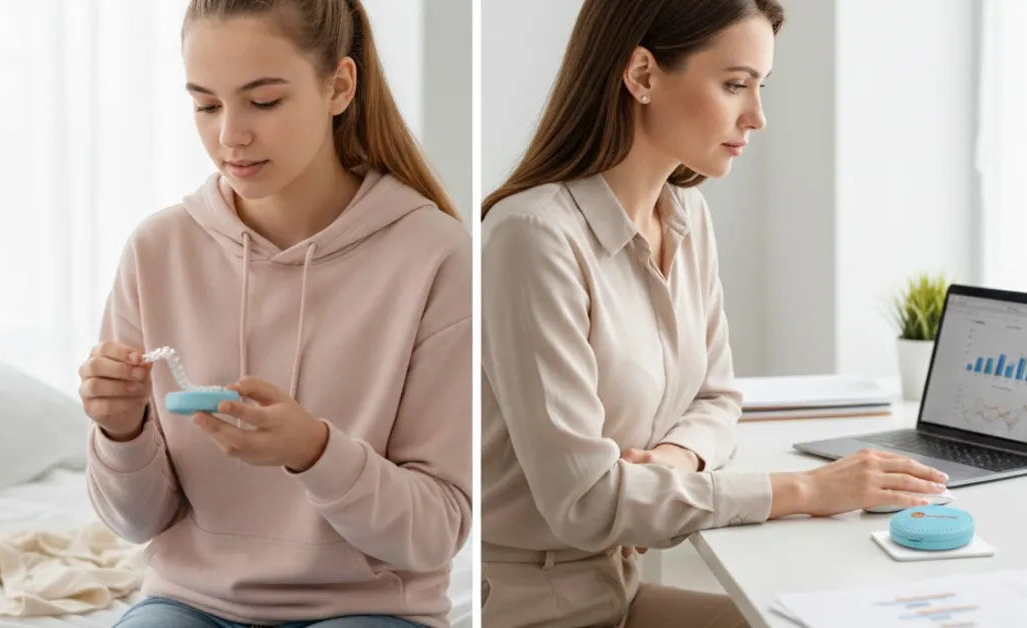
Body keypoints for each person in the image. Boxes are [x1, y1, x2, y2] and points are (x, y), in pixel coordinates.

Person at [480, 1, 947, 626]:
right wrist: (806, 491)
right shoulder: (533, 235)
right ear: (642, 75)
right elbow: (585, 504)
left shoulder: (687, 216)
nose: (756, 116)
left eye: (759, 87)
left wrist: (672, 462)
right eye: (734, 85)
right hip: (537, 608)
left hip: (615, 588)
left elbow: (718, 398)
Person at [77, 1, 471, 626]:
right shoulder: (157, 250)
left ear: (339, 86)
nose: (230, 135)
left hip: (366, 609)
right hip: (189, 602)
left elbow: (435, 532)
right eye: (206, 105)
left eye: (263, 102)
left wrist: (314, 452)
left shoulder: (435, 257)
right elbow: (134, 523)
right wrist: (120, 431)